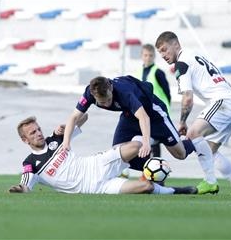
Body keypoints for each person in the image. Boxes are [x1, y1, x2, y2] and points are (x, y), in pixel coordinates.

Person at [63, 76, 216, 194]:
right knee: (118, 153)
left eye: (109, 99)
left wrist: (146, 143)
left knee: (180, 154)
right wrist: (66, 142)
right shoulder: (90, 92)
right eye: (102, 103)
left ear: (110, 87)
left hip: (154, 114)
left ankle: (195, 142)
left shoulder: (124, 92)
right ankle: (152, 172)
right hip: (129, 116)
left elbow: (144, 117)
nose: (106, 104)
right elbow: (74, 117)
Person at [155, 31, 231, 196]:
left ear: (175, 44)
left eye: (165, 49)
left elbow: (187, 98)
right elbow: (220, 80)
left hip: (221, 103)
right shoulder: (195, 55)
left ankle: (210, 182)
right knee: (210, 151)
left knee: (193, 134)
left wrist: (182, 122)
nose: (163, 55)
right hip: (230, 103)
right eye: (160, 53)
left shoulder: (182, 64)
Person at [9, 116, 197, 194]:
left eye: (38, 129)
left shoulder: (56, 139)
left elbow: (84, 117)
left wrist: (68, 127)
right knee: (146, 186)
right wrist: (19, 190)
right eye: (32, 133)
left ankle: (169, 139)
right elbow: (25, 185)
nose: (38, 134)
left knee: (137, 145)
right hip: (94, 188)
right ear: (25, 140)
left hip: (97, 164)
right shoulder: (30, 163)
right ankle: (178, 191)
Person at [137, 43, 171, 157]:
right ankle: (147, 169)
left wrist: (166, 109)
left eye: (150, 55)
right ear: (141, 56)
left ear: (154, 56)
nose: (148, 58)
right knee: (145, 139)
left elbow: (167, 93)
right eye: (145, 55)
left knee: (155, 140)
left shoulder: (158, 72)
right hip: (145, 110)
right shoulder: (139, 72)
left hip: (158, 111)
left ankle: (157, 166)